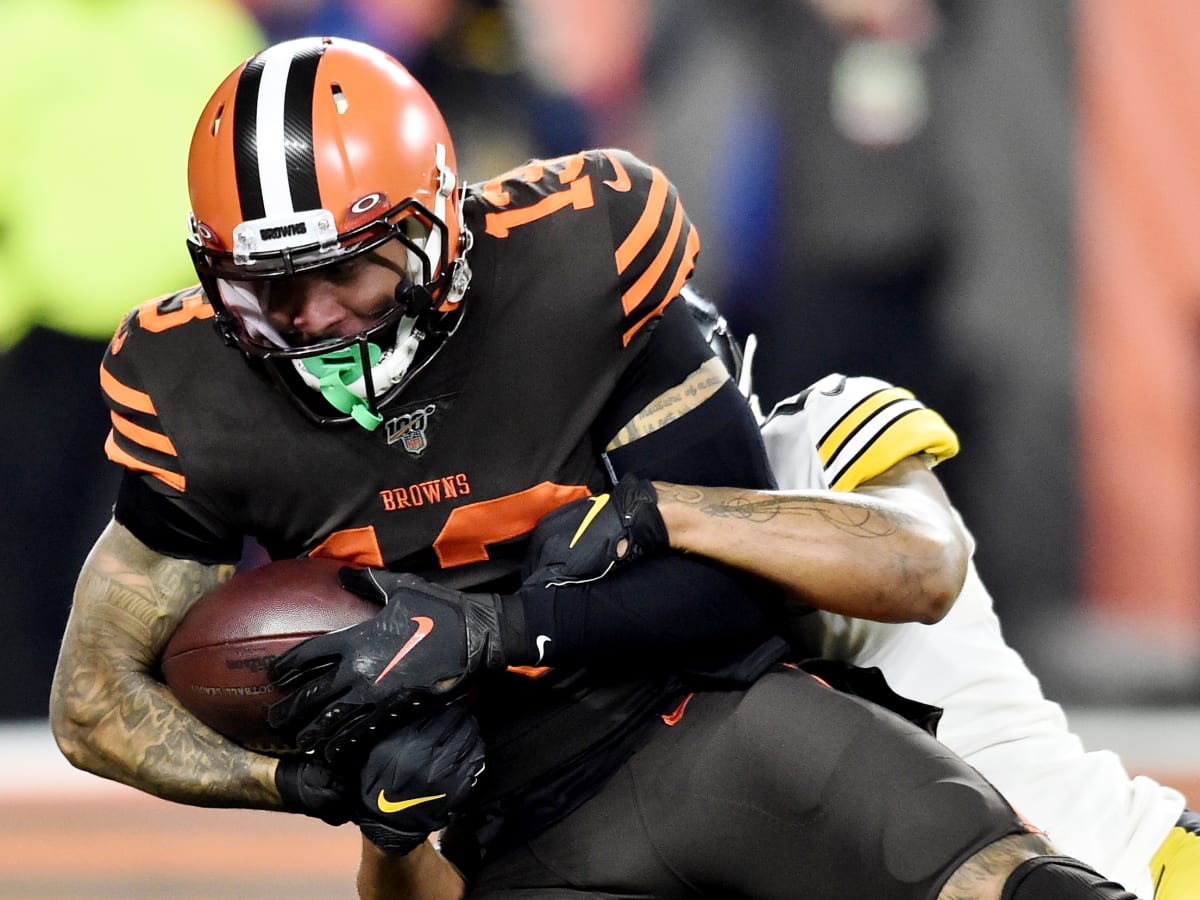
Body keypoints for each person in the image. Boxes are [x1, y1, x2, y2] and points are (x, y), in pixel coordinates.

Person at [48, 35, 1135, 900]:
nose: (311, 318)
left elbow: (798, 584)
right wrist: (315, 786)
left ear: (434, 225)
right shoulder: (196, 388)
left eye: (344, 270)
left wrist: (498, 626)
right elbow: (94, 699)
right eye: (267, 288)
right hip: (515, 829)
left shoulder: (588, 265)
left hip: (716, 721)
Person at [537, 293, 1199, 899]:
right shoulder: (576, 578)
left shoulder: (807, 438)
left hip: (1122, 862)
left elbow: (924, 564)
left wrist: (665, 510)